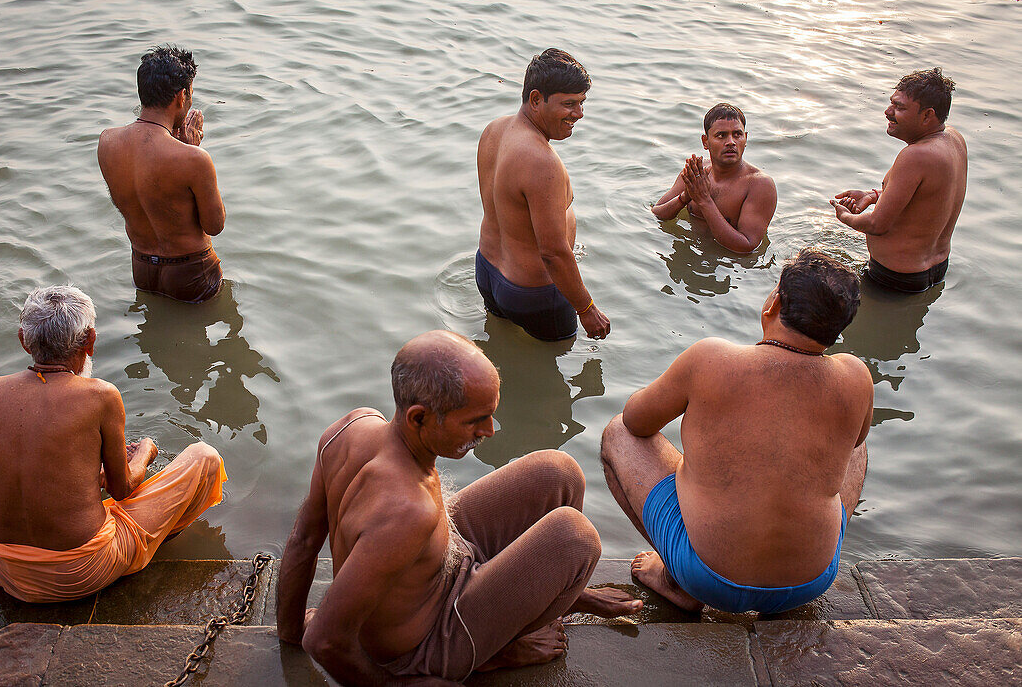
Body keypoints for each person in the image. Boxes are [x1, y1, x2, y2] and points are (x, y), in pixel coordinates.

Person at [277, 331, 641, 685]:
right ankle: (496, 651)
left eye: (490, 415)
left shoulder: (352, 426)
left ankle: (555, 598)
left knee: (559, 472)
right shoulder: (407, 512)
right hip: (432, 640)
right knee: (575, 538)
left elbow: (303, 540)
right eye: (474, 421)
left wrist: (289, 634)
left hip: (439, 562)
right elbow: (324, 641)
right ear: (418, 418)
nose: (490, 431)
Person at [601, 249, 872, 614]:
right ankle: (794, 562)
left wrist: (697, 457)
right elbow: (850, 443)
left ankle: (675, 580)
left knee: (617, 433)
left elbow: (635, 421)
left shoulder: (711, 359)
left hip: (709, 578)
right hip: (811, 581)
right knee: (857, 446)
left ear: (773, 302)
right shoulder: (856, 377)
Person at [0, 286, 226, 602]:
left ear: (24, 340)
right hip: (79, 571)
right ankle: (162, 533)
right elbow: (122, 490)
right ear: (90, 341)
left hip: (5, 567)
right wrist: (145, 452)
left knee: (3, 455)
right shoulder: (101, 395)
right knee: (205, 457)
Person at [476, 49, 610, 342]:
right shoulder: (541, 161)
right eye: (569, 104)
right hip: (533, 294)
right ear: (536, 99)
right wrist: (587, 309)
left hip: (487, 271)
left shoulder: (494, 130)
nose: (579, 114)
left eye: (582, 103)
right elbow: (552, 252)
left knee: (499, 348)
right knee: (555, 371)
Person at [98, 45, 226, 303]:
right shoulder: (194, 159)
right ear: (181, 97)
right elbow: (215, 225)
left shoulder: (107, 142)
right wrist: (190, 150)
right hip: (192, 273)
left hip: (142, 268)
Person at [830, 68, 967, 292]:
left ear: (927, 115)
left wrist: (844, 216)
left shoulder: (915, 155)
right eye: (891, 103)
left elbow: (876, 225)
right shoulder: (954, 139)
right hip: (935, 267)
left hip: (895, 277)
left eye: (899, 107)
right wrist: (874, 196)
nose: (887, 111)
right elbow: (925, 199)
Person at [652, 103, 777, 254]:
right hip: (691, 252)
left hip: (733, 270)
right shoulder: (697, 173)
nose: (731, 142)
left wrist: (704, 200)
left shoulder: (759, 185)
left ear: (746, 138)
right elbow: (657, 213)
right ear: (705, 142)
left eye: (737, 134)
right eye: (721, 135)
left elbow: (747, 247)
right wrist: (686, 196)